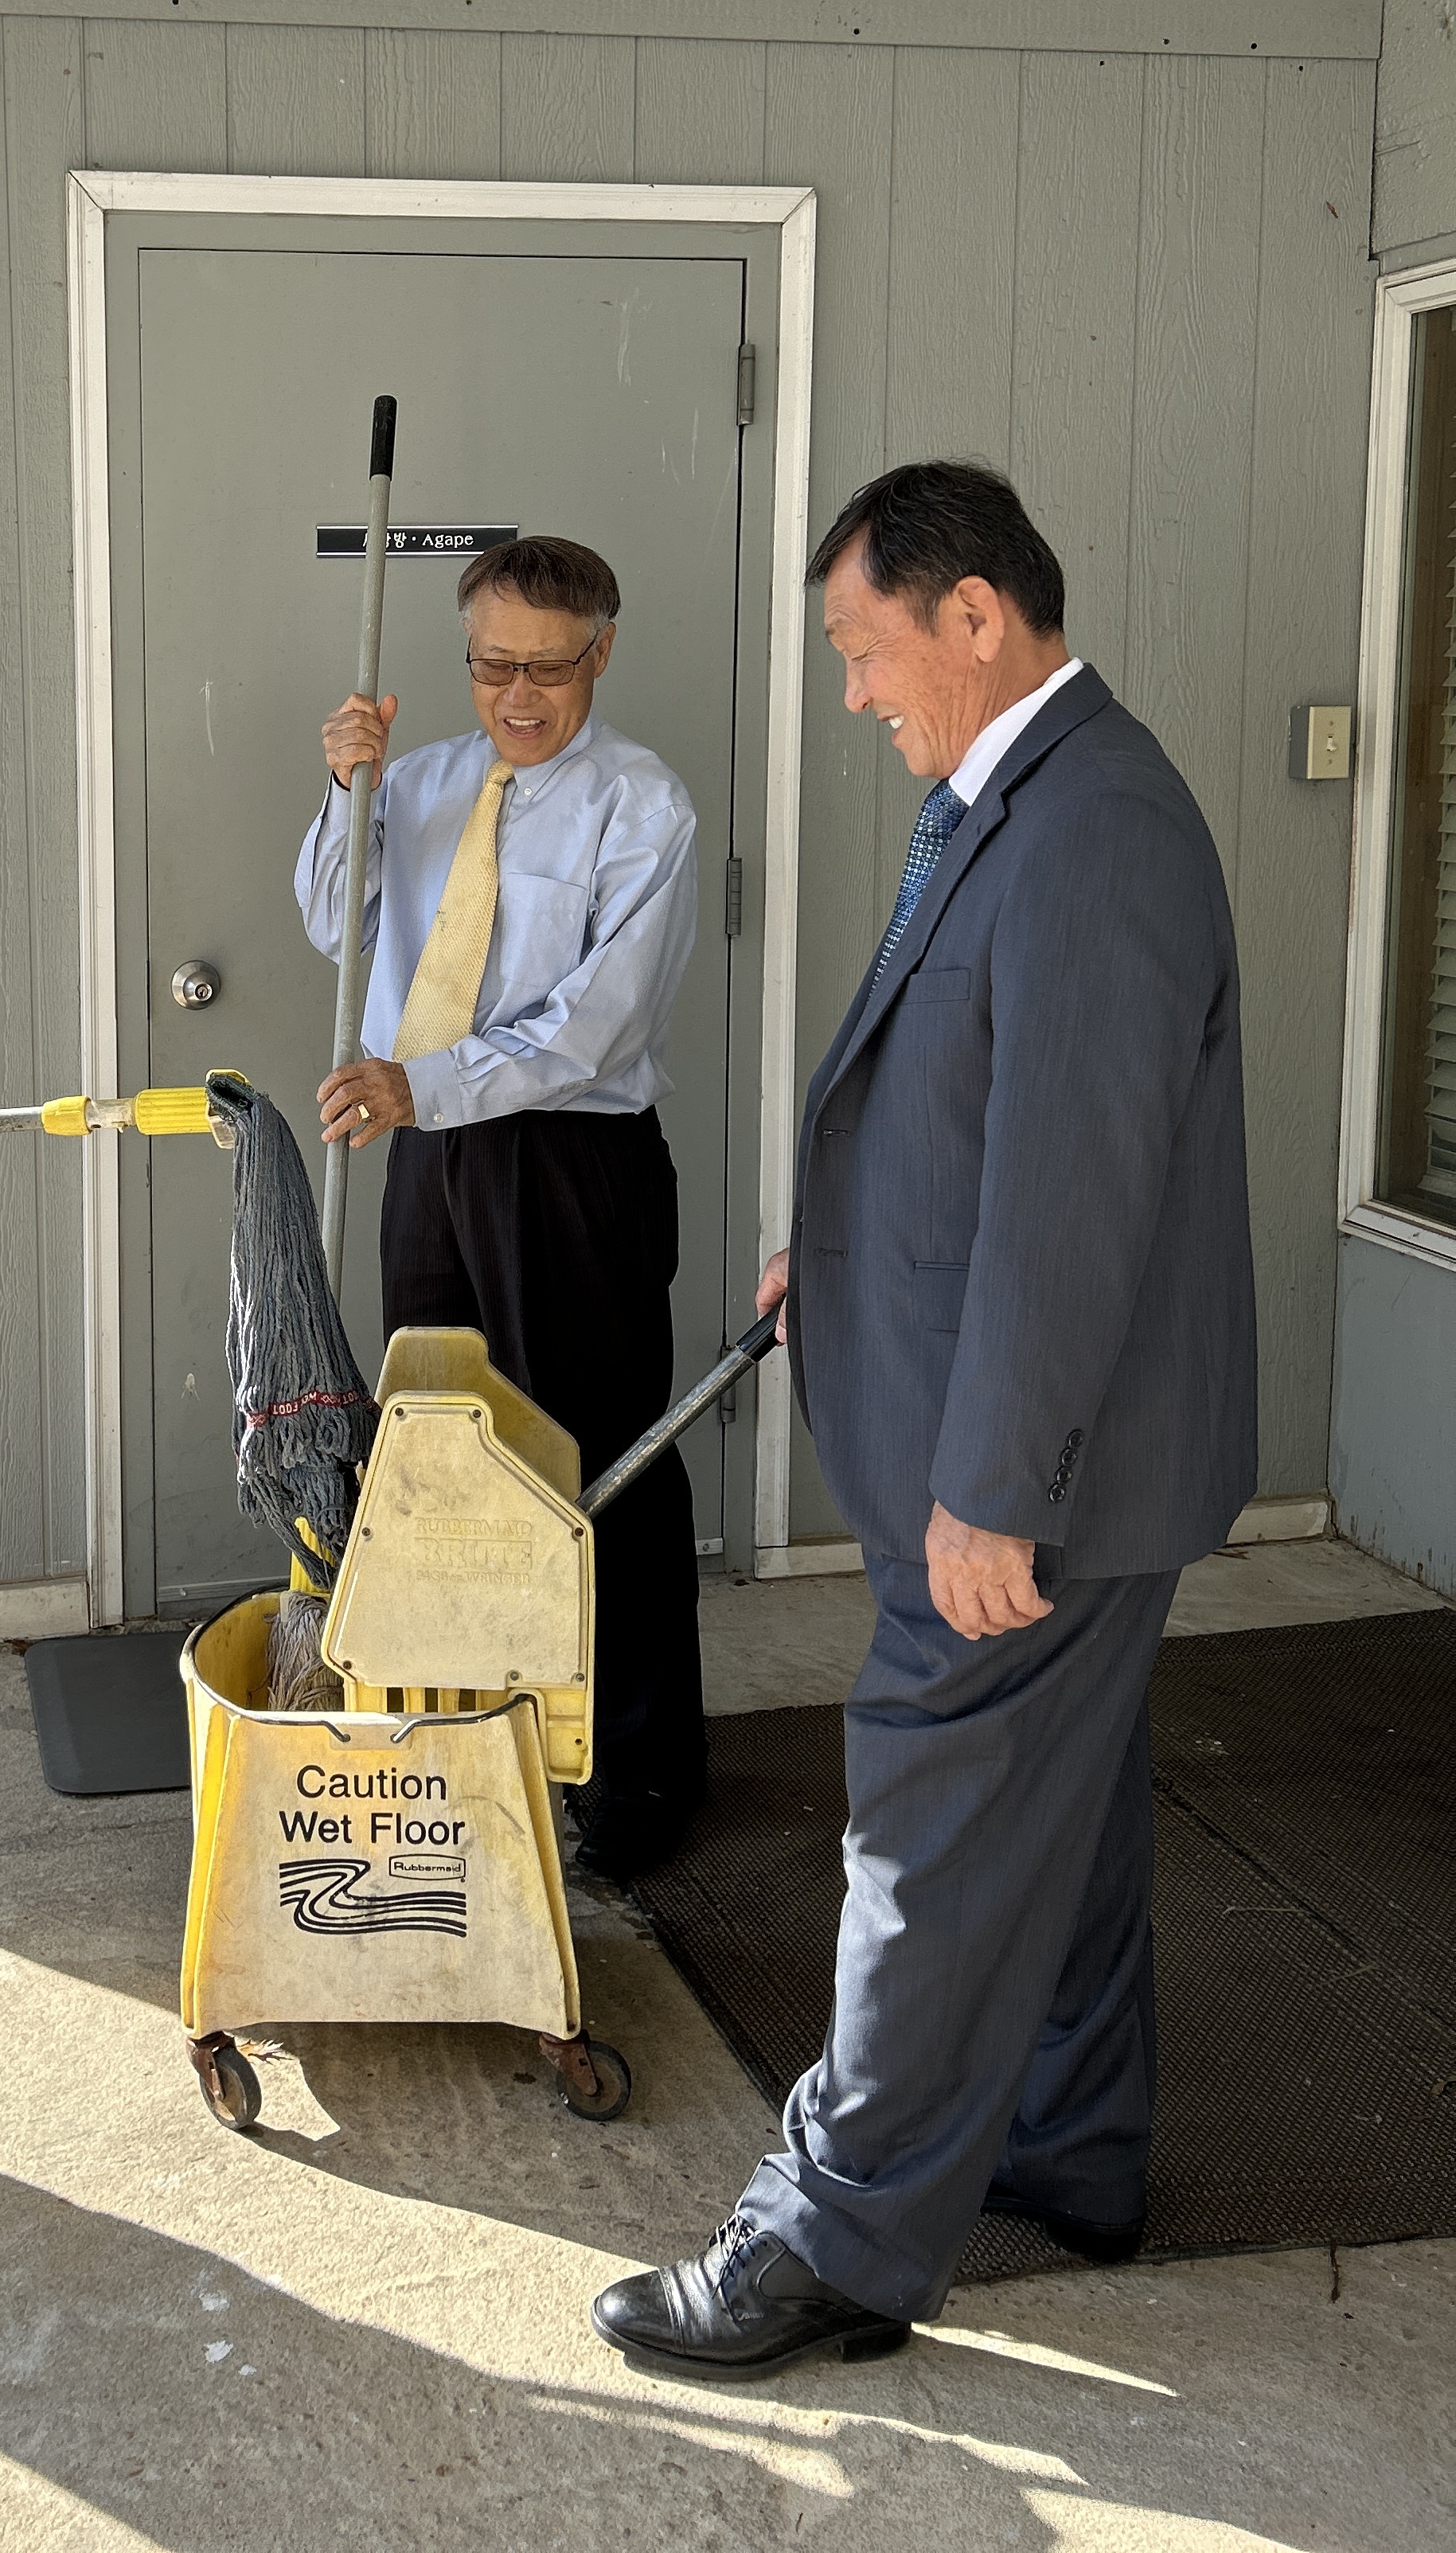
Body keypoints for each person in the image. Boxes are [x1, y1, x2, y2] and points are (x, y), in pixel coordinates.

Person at [593, 460, 1257, 2381]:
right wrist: (844, 1251)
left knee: (930, 1839)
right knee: (1059, 1819)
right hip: (1014, 1450)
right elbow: (984, 1113)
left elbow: (1075, 1195)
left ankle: (835, 2242)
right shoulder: (1026, 802)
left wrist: (993, 1492)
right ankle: (1071, 2143)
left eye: (865, 647)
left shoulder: (1096, 826)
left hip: (1029, 1482)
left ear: (976, 615)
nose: (857, 691)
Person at [295, 533, 702, 1876]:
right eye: (491, 666)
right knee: (439, 1447)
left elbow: (595, 1026)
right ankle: (471, 1738)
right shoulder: (417, 782)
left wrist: (424, 1088)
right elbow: (332, 925)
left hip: (572, 1162)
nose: (518, 696)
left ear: (602, 651)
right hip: (431, 1157)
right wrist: (346, 792)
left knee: (599, 1459)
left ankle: (639, 1773)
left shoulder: (641, 807)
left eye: (549, 668)